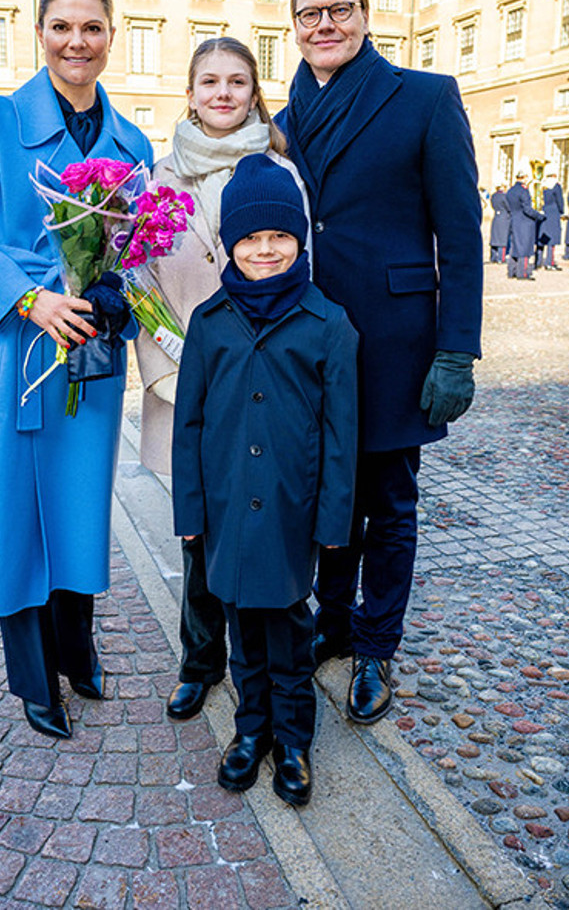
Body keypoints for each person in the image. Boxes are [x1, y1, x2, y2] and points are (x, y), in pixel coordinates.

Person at [0, 0, 152, 739]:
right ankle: (33, 677)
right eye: (62, 26)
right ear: (40, 32)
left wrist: (118, 286)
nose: (76, 42)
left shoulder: (133, 143)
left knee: (79, 507)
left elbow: (138, 244)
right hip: (13, 356)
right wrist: (30, 295)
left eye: (91, 27)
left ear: (111, 36)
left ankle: (76, 645)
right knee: (17, 516)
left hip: (86, 357)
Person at [274, 0, 483, 725]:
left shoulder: (424, 97)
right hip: (309, 344)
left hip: (396, 341)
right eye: (309, 14)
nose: (324, 25)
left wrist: (457, 347)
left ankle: (375, 644)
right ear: (292, 27)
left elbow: (460, 236)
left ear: (367, 14)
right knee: (327, 492)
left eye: (340, 9)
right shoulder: (283, 120)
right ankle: (331, 619)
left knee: (390, 502)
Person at [172, 154, 358, 806]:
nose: (266, 248)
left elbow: (342, 434)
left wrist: (334, 519)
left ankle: (295, 741)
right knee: (241, 632)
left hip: (289, 508)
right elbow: (188, 423)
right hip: (224, 509)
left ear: (299, 239)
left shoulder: (328, 324)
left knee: (288, 633)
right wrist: (189, 511)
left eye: (279, 235)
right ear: (231, 244)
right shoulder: (210, 322)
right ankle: (250, 731)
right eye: (251, 237)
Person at [135, 37, 310, 723]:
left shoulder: (279, 171)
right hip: (186, 377)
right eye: (209, 80)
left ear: (253, 91)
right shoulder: (159, 178)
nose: (223, 93)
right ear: (190, 92)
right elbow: (142, 281)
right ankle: (198, 659)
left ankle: (260, 667)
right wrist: (175, 364)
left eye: (238, 81)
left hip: (261, 375)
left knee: (259, 522)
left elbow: (302, 272)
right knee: (198, 527)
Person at [506, 170, 544, 280]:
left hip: (514, 220)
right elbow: (527, 209)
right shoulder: (524, 191)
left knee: (514, 247)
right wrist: (539, 216)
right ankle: (523, 273)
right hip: (525, 223)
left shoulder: (511, 190)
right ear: (524, 177)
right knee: (525, 248)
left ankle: (511, 271)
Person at [539, 173, 564, 270]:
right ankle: (550, 262)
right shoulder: (556, 186)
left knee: (542, 238)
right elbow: (559, 200)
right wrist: (562, 211)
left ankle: (539, 261)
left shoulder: (543, 185)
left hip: (544, 211)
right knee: (552, 240)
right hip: (553, 212)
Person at [489, 184, 510, 263]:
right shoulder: (504, 196)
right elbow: (508, 207)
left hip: (496, 217)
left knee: (494, 239)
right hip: (504, 218)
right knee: (502, 239)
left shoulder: (493, 196)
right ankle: (501, 258)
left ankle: (493, 256)